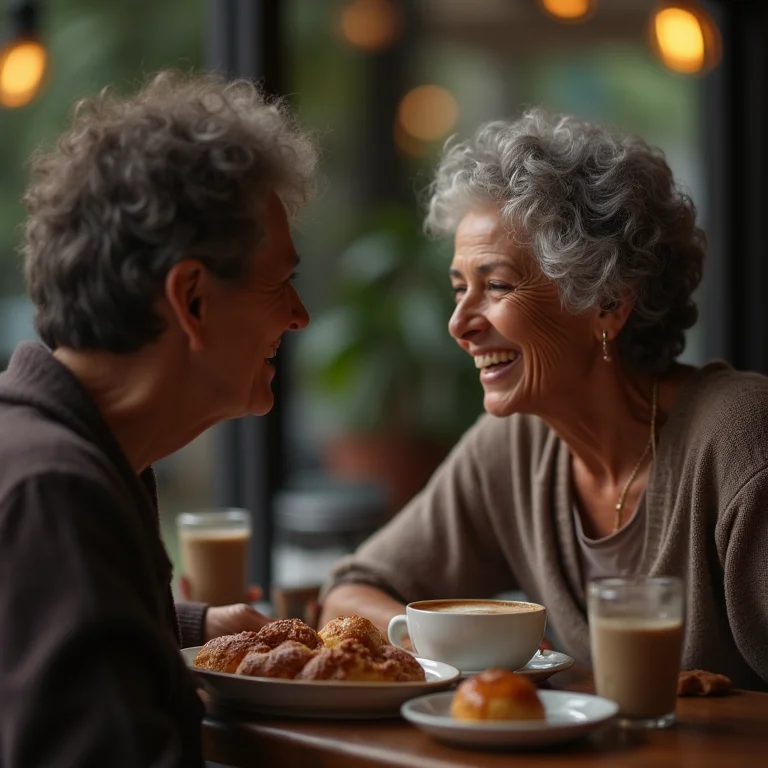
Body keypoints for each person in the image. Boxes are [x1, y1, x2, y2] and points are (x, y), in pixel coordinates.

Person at [320, 108, 768, 691]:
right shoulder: (513, 447)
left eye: (497, 285)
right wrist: (459, 646)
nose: (459, 323)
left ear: (607, 301)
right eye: (459, 288)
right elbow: (348, 594)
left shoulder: (741, 442)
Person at [0, 71, 316, 766]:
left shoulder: (62, 460)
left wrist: (192, 627)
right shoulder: (54, 494)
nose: (300, 315)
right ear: (193, 300)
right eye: (280, 282)